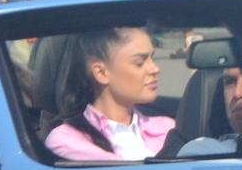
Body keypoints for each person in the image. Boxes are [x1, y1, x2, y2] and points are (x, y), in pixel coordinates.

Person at [43, 24, 174, 162]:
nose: (155, 69)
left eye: (152, 59)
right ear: (101, 73)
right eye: (140, 62)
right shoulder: (67, 140)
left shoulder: (168, 127)